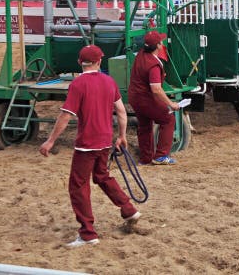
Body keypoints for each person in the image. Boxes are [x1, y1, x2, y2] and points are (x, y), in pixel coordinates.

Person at [39, 45, 141, 247]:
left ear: (80, 62)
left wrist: (50, 140)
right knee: (102, 176)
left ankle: (87, 233)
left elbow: (66, 115)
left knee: (78, 186)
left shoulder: (77, 85)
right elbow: (121, 112)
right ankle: (128, 209)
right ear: (99, 62)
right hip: (105, 140)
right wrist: (121, 136)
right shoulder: (109, 81)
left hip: (87, 143)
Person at [128, 30, 179, 165]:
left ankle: (146, 158)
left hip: (134, 97)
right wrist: (171, 104)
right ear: (157, 46)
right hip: (146, 98)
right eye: (160, 42)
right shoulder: (153, 64)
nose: (162, 44)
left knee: (144, 125)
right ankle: (161, 155)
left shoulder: (140, 55)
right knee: (168, 119)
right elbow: (156, 89)